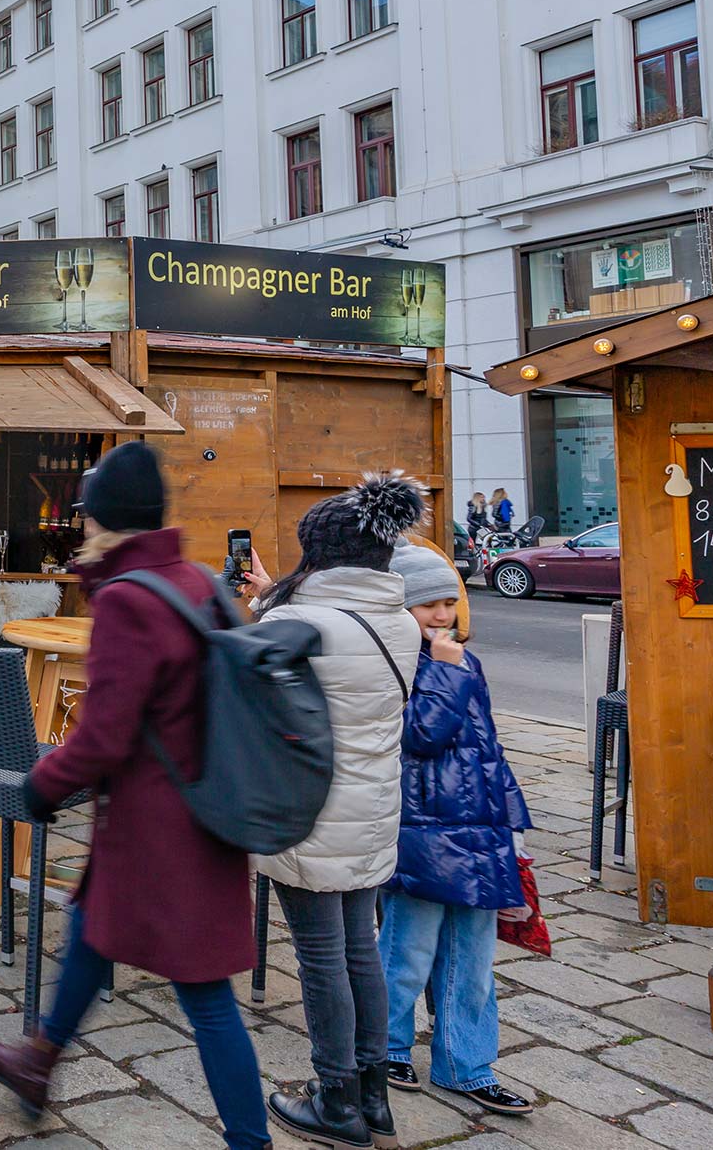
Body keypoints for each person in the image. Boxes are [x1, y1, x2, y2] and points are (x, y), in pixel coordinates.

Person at [0, 444, 269, 1147]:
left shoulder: (129, 598)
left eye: (88, 514)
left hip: (160, 829)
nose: (81, 525)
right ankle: (37, 1060)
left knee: (205, 995)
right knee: (94, 931)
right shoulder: (194, 580)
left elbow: (105, 733)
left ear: (105, 518)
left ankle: (251, 1140)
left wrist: (40, 783)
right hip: (204, 812)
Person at [240, 472, 424, 1150]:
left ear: (319, 553)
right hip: (372, 811)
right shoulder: (400, 622)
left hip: (308, 813)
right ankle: (373, 1098)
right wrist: (273, 599)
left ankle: (336, 1100)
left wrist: (265, 605)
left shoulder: (295, 621)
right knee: (358, 951)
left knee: (320, 958)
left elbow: (250, 688)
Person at [379, 544, 535, 1116]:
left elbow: (487, 746)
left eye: (449, 602)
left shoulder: (465, 662)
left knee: (472, 961)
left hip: (479, 827)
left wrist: (511, 817)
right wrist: (443, 670)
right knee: (406, 950)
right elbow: (420, 734)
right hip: (420, 828)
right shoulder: (397, 663)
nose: (441, 615)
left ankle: (465, 1064)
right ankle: (386, 1047)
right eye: (427, 605)